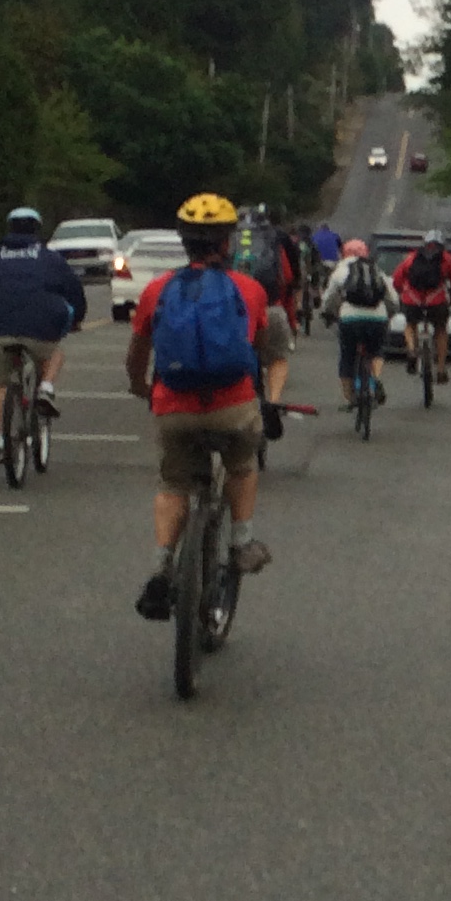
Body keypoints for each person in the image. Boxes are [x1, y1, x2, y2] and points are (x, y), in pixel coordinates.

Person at [126, 191, 273, 619]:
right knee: (242, 464)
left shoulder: (158, 290)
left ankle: (162, 568)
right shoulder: (249, 289)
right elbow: (259, 349)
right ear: (227, 242)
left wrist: (141, 386)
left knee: (174, 483)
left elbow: (138, 352)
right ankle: (241, 542)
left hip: (175, 408)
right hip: (233, 405)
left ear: (183, 241)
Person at [0, 206, 87, 434]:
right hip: (41, 329)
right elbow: (74, 290)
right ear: (37, 229)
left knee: (0, 385)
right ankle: (46, 388)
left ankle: (3, 440)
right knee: (53, 354)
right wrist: (77, 319)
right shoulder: (50, 258)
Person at [234, 202, 297, 438]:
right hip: (269, 306)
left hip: (233, 311)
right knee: (278, 358)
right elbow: (288, 276)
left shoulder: (228, 239)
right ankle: (273, 401)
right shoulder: (274, 237)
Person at [320, 235, 394, 412]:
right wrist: (389, 313)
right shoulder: (376, 269)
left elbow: (330, 297)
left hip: (350, 319)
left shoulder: (340, 270)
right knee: (376, 350)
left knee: (347, 356)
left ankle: (350, 398)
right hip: (377, 318)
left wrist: (327, 313)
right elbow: (392, 298)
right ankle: (374, 379)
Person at [391, 233, 451, 388]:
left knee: (410, 325)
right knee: (441, 329)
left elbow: (397, 279)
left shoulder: (412, 257)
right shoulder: (447, 259)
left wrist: (402, 293)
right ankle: (441, 370)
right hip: (436, 302)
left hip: (413, 301)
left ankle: (411, 350)